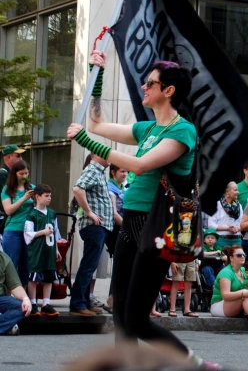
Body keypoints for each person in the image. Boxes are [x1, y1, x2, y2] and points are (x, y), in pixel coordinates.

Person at [67, 53, 202, 363]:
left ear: (168, 90)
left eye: (150, 83)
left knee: (137, 317)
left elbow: (140, 166)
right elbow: (98, 123)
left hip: (155, 225)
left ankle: (192, 363)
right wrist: (97, 75)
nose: (144, 87)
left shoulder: (183, 131)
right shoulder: (147, 129)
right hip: (131, 220)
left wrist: (89, 142)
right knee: (121, 312)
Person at [70, 154, 114, 316]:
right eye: (106, 154)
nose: (110, 157)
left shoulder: (99, 171)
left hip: (99, 226)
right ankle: (78, 304)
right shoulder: (93, 170)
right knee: (88, 265)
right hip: (94, 226)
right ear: (96, 156)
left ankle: (84, 302)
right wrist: (89, 212)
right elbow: (77, 188)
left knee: (90, 265)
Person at [23, 185, 61, 317]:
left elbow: (55, 233)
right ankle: (33, 303)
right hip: (36, 250)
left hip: (49, 250)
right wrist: (42, 232)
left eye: (50, 196)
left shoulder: (52, 213)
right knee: (33, 277)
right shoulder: (32, 215)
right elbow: (28, 234)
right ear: (37, 197)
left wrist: (57, 249)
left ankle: (46, 303)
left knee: (48, 277)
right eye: (46, 196)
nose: (49, 198)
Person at [1, 160, 35, 288]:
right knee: (11, 264)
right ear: (14, 174)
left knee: (26, 266)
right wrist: (24, 198)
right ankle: (7, 295)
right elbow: (8, 210)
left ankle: (23, 298)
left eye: (26, 173)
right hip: (13, 230)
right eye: (21, 173)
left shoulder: (32, 187)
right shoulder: (8, 189)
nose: (24, 176)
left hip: (29, 232)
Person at [104, 164, 127, 314]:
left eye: (126, 171)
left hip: (122, 229)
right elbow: (113, 213)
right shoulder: (111, 188)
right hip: (115, 230)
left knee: (122, 266)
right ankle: (111, 301)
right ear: (113, 172)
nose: (125, 174)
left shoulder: (121, 188)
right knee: (120, 265)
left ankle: (115, 300)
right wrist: (128, 226)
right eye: (122, 171)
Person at [0, 250, 32, 335]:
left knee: (21, 307)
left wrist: (25, 299)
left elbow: (15, 286)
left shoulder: (5, 260)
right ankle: (6, 326)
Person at [207, 181, 243, 250]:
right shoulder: (217, 205)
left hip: (237, 240)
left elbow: (242, 223)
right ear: (227, 192)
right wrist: (227, 228)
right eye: (235, 190)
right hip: (222, 240)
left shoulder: (239, 206)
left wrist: (237, 228)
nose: (238, 192)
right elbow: (210, 225)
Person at [0, 145, 25, 241]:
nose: (21, 158)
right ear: (9, 157)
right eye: (18, 156)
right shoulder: (3, 174)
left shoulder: (12, 174)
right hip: (6, 220)